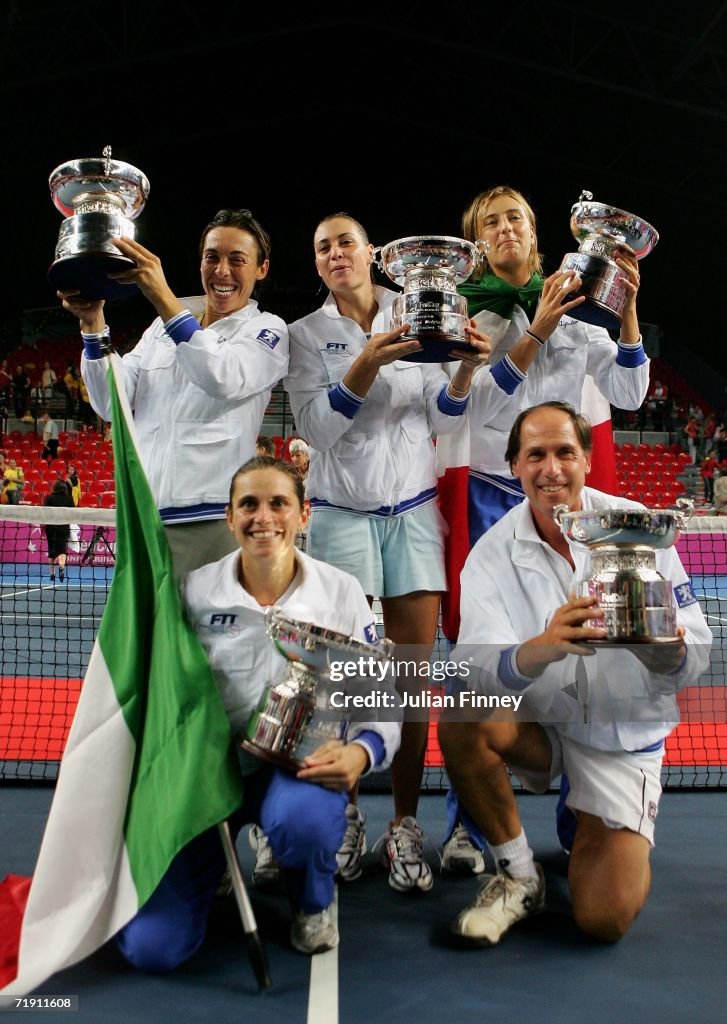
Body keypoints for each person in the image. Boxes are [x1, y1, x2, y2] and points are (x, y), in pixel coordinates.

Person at [438, 402, 712, 946]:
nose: (551, 469)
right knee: (464, 713)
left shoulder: (640, 529)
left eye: (565, 452)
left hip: (619, 738)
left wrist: (667, 654)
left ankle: (588, 816)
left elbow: (695, 650)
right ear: (515, 465)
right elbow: (474, 667)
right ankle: (519, 875)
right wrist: (540, 649)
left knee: (603, 919)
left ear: (587, 459)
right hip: (542, 725)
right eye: (535, 454)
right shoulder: (490, 553)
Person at [438, 183, 650, 873]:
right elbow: (482, 414)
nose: (505, 229)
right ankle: (468, 826)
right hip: (490, 499)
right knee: (478, 662)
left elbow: (628, 394)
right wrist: (535, 331)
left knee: (582, 652)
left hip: (567, 506)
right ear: (478, 243)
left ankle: (576, 810)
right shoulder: (464, 316)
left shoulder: (581, 313)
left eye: (516, 219)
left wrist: (626, 311)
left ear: (535, 233)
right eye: (491, 222)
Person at [116, 456, 400, 963]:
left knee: (303, 824)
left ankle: (313, 903)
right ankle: (211, 867)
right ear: (230, 518)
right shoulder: (194, 593)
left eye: (278, 504)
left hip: (296, 769)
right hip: (205, 774)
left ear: (303, 514)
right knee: (152, 949)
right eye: (249, 504)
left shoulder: (340, 592)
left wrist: (363, 751)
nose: (263, 517)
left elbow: (377, 691)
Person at [284, 212, 492, 893]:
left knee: (407, 681)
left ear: (373, 253)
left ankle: (404, 824)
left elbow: (442, 417)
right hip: (341, 515)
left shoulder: (417, 310)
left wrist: (464, 370)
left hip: (412, 515)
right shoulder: (304, 335)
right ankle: (345, 815)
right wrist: (369, 360)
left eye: (346, 241)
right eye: (323, 247)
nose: (335, 253)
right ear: (316, 263)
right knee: (343, 682)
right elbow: (317, 430)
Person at [59, 208, 289, 575]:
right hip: (144, 516)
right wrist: (93, 326)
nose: (222, 271)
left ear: (261, 269)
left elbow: (223, 376)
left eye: (237, 260)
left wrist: (162, 296)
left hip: (211, 519)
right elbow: (111, 402)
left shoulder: (268, 331)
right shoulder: (159, 328)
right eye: (212, 257)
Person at [43, 479, 75, 581]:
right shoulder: (69, 499)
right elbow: (73, 512)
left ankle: (52, 573)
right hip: (63, 527)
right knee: (62, 550)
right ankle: (61, 567)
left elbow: (45, 512)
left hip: (51, 527)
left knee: (51, 550)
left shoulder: (49, 498)